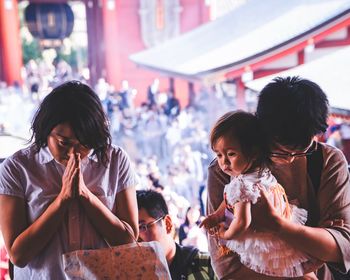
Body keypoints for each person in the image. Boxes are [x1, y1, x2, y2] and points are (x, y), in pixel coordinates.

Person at [206, 76, 350, 279]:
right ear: (260, 132)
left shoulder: (327, 160)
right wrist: (309, 259)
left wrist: (277, 225)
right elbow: (227, 268)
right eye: (280, 151)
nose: (291, 159)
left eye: (302, 151)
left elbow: (341, 247)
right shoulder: (225, 168)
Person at [0, 81, 139, 279]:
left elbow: (129, 241)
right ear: (45, 130)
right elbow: (18, 255)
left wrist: (85, 195)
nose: (74, 153)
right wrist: (63, 199)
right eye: (63, 143)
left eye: (85, 145)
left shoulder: (115, 160)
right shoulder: (17, 168)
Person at [201, 110, 319, 277]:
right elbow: (229, 199)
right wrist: (217, 215)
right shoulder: (260, 171)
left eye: (231, 154)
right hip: (283, 232)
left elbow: (242, 223)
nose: (223, 162)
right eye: (219, 155)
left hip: (265, 240)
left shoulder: (244, 185)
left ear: (254, 152)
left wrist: (225, 235)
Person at [136, 189, 217, 280]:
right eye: (129, 232)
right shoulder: (132, 275)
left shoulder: (207, 265)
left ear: (167, 224)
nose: (137, 239)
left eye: (142, 227)